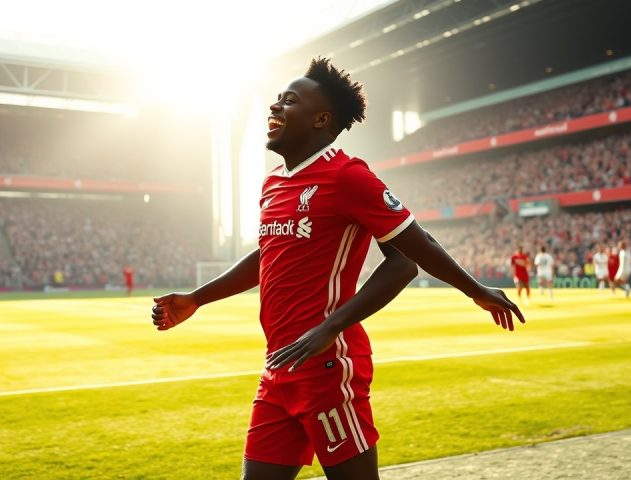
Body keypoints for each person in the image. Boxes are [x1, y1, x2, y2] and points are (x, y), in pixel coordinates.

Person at [150, 58, 524, 480]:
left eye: (289, 101)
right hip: (279, 366)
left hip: (328, 368)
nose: (274, 107)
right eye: (277, 99)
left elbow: (407, 260)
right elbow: (269, 255)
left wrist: (475, 290)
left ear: (321, 119)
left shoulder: (347, 176)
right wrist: (197, 298)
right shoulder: (274, 182)